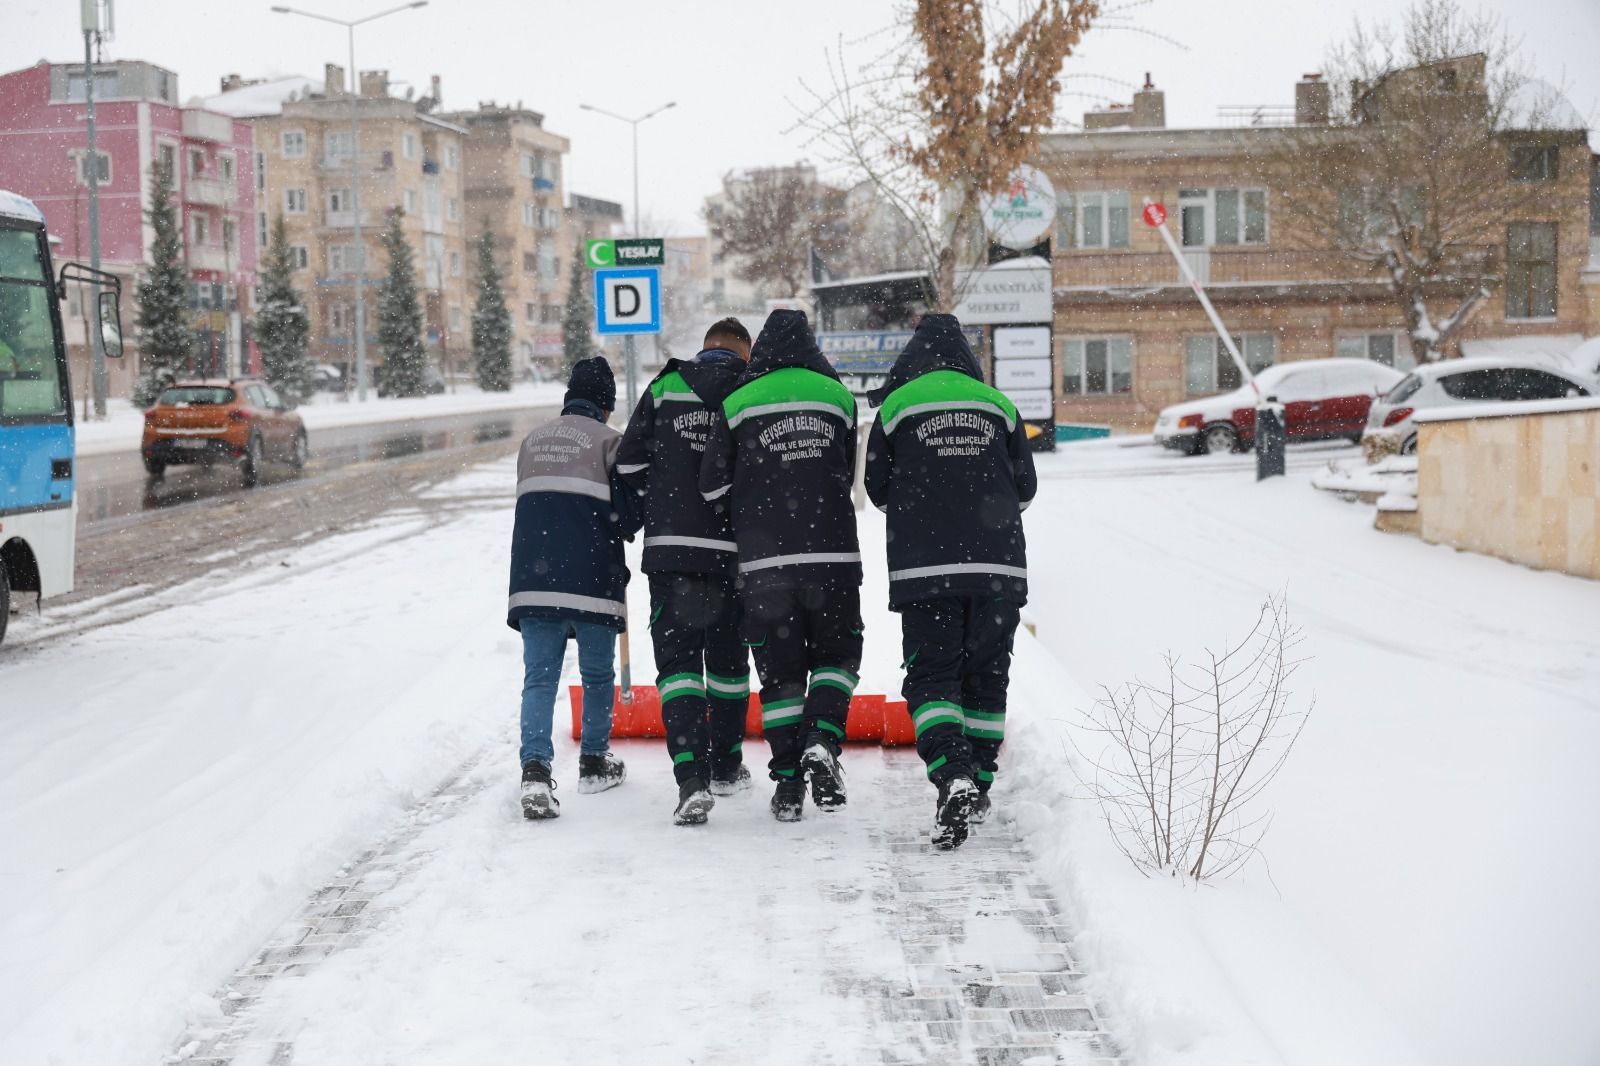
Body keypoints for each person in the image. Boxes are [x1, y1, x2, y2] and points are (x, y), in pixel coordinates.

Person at [864, 314, 1036, 850]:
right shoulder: (999, 404)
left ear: (911, 359)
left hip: (926, 572)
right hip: (999, 570)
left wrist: (925, 507)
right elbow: (1026, 489)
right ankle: (978, 783)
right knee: (987, 677)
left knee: (932, 678)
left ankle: (952, 773)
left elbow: (876, 489)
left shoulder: (896, 407)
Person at [699, 309, 863, 822]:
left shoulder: (738, 401)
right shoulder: (837, 397)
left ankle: (789, 787)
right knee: (837, 656)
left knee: (780, 676)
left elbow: (712, 486)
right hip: (833, 556)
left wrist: (751, 502)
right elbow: (847, 469)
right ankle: (822, 738)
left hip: (765, 565)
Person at [617, 317, 755, 826]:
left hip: (672, 553)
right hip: (734, 553)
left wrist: (664, 491)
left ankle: (691, 779)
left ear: (705, 348)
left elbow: (628, 465)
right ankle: (727, 766)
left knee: (678, 667)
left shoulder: (665, 387)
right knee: (728, 665)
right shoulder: (750, 388)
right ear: (745, 352)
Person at [507, 356, 641, 819]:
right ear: (605, 406)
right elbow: (629, 517)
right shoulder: (610, 442)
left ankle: (535, 772)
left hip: (533, 581)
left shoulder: (532, 441)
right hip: (592, 579)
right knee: (597, 674)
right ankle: (594, 762)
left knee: (539, 678)